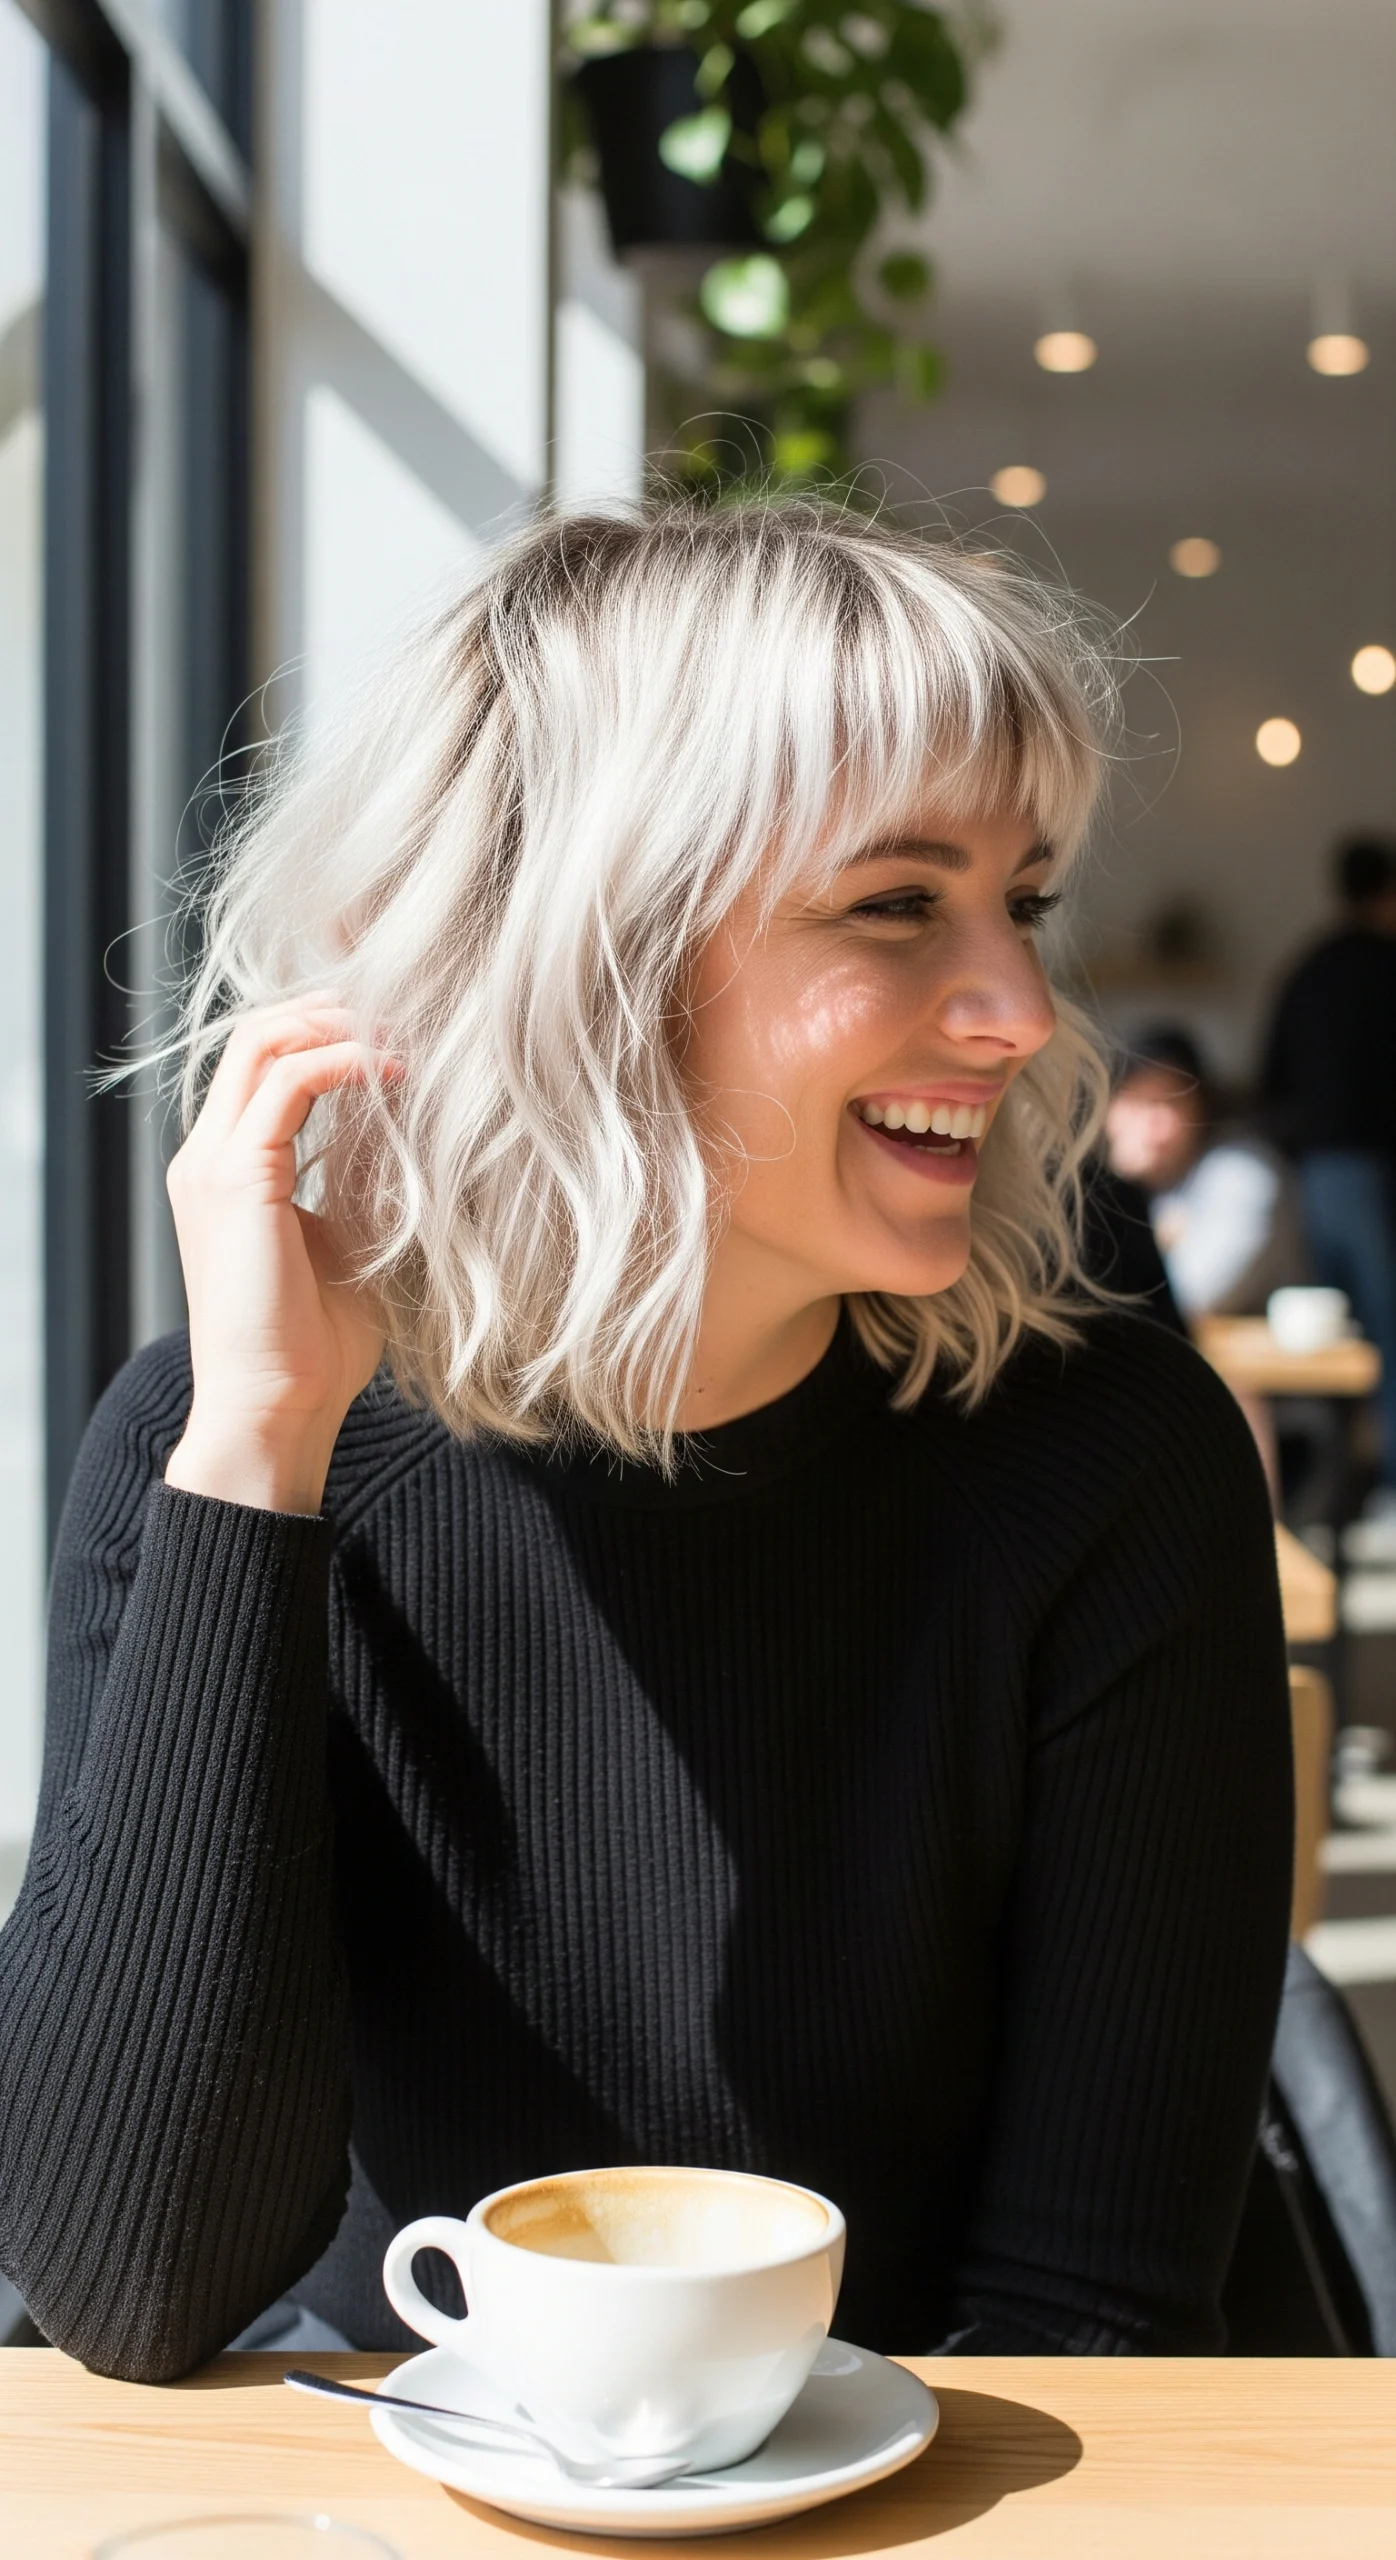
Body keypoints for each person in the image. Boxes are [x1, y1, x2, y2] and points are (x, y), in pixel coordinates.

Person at [0, 504, 1290, 2383]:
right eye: (895, 902)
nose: (1021, 1013)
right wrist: (261, 1448)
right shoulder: (219, 1446)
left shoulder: (1104, 1461)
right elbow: (130, 2291)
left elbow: (1096, 2319)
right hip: (412, 2499)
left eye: (1021, 900)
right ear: (584, 955)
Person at [1264, 837, 1396, 1528]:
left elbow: (1273, 1072)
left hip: (1315, 1172)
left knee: (1333, 1339)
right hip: (1375, 1172)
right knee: (1384, 1333)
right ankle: (1384, 1490)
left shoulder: (1310, 968)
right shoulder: (1385, 965)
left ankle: (1338, 1489)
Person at [1105, 1029, 1308, 1322]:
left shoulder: (1244, 1173)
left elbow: (1196, 1295)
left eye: (1167, 1103)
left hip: (1255, 1364)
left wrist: (1120, 1194)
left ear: (1201, 1106)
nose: (1151, 1125)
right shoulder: (1103, 1179)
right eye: (1136, 1103)